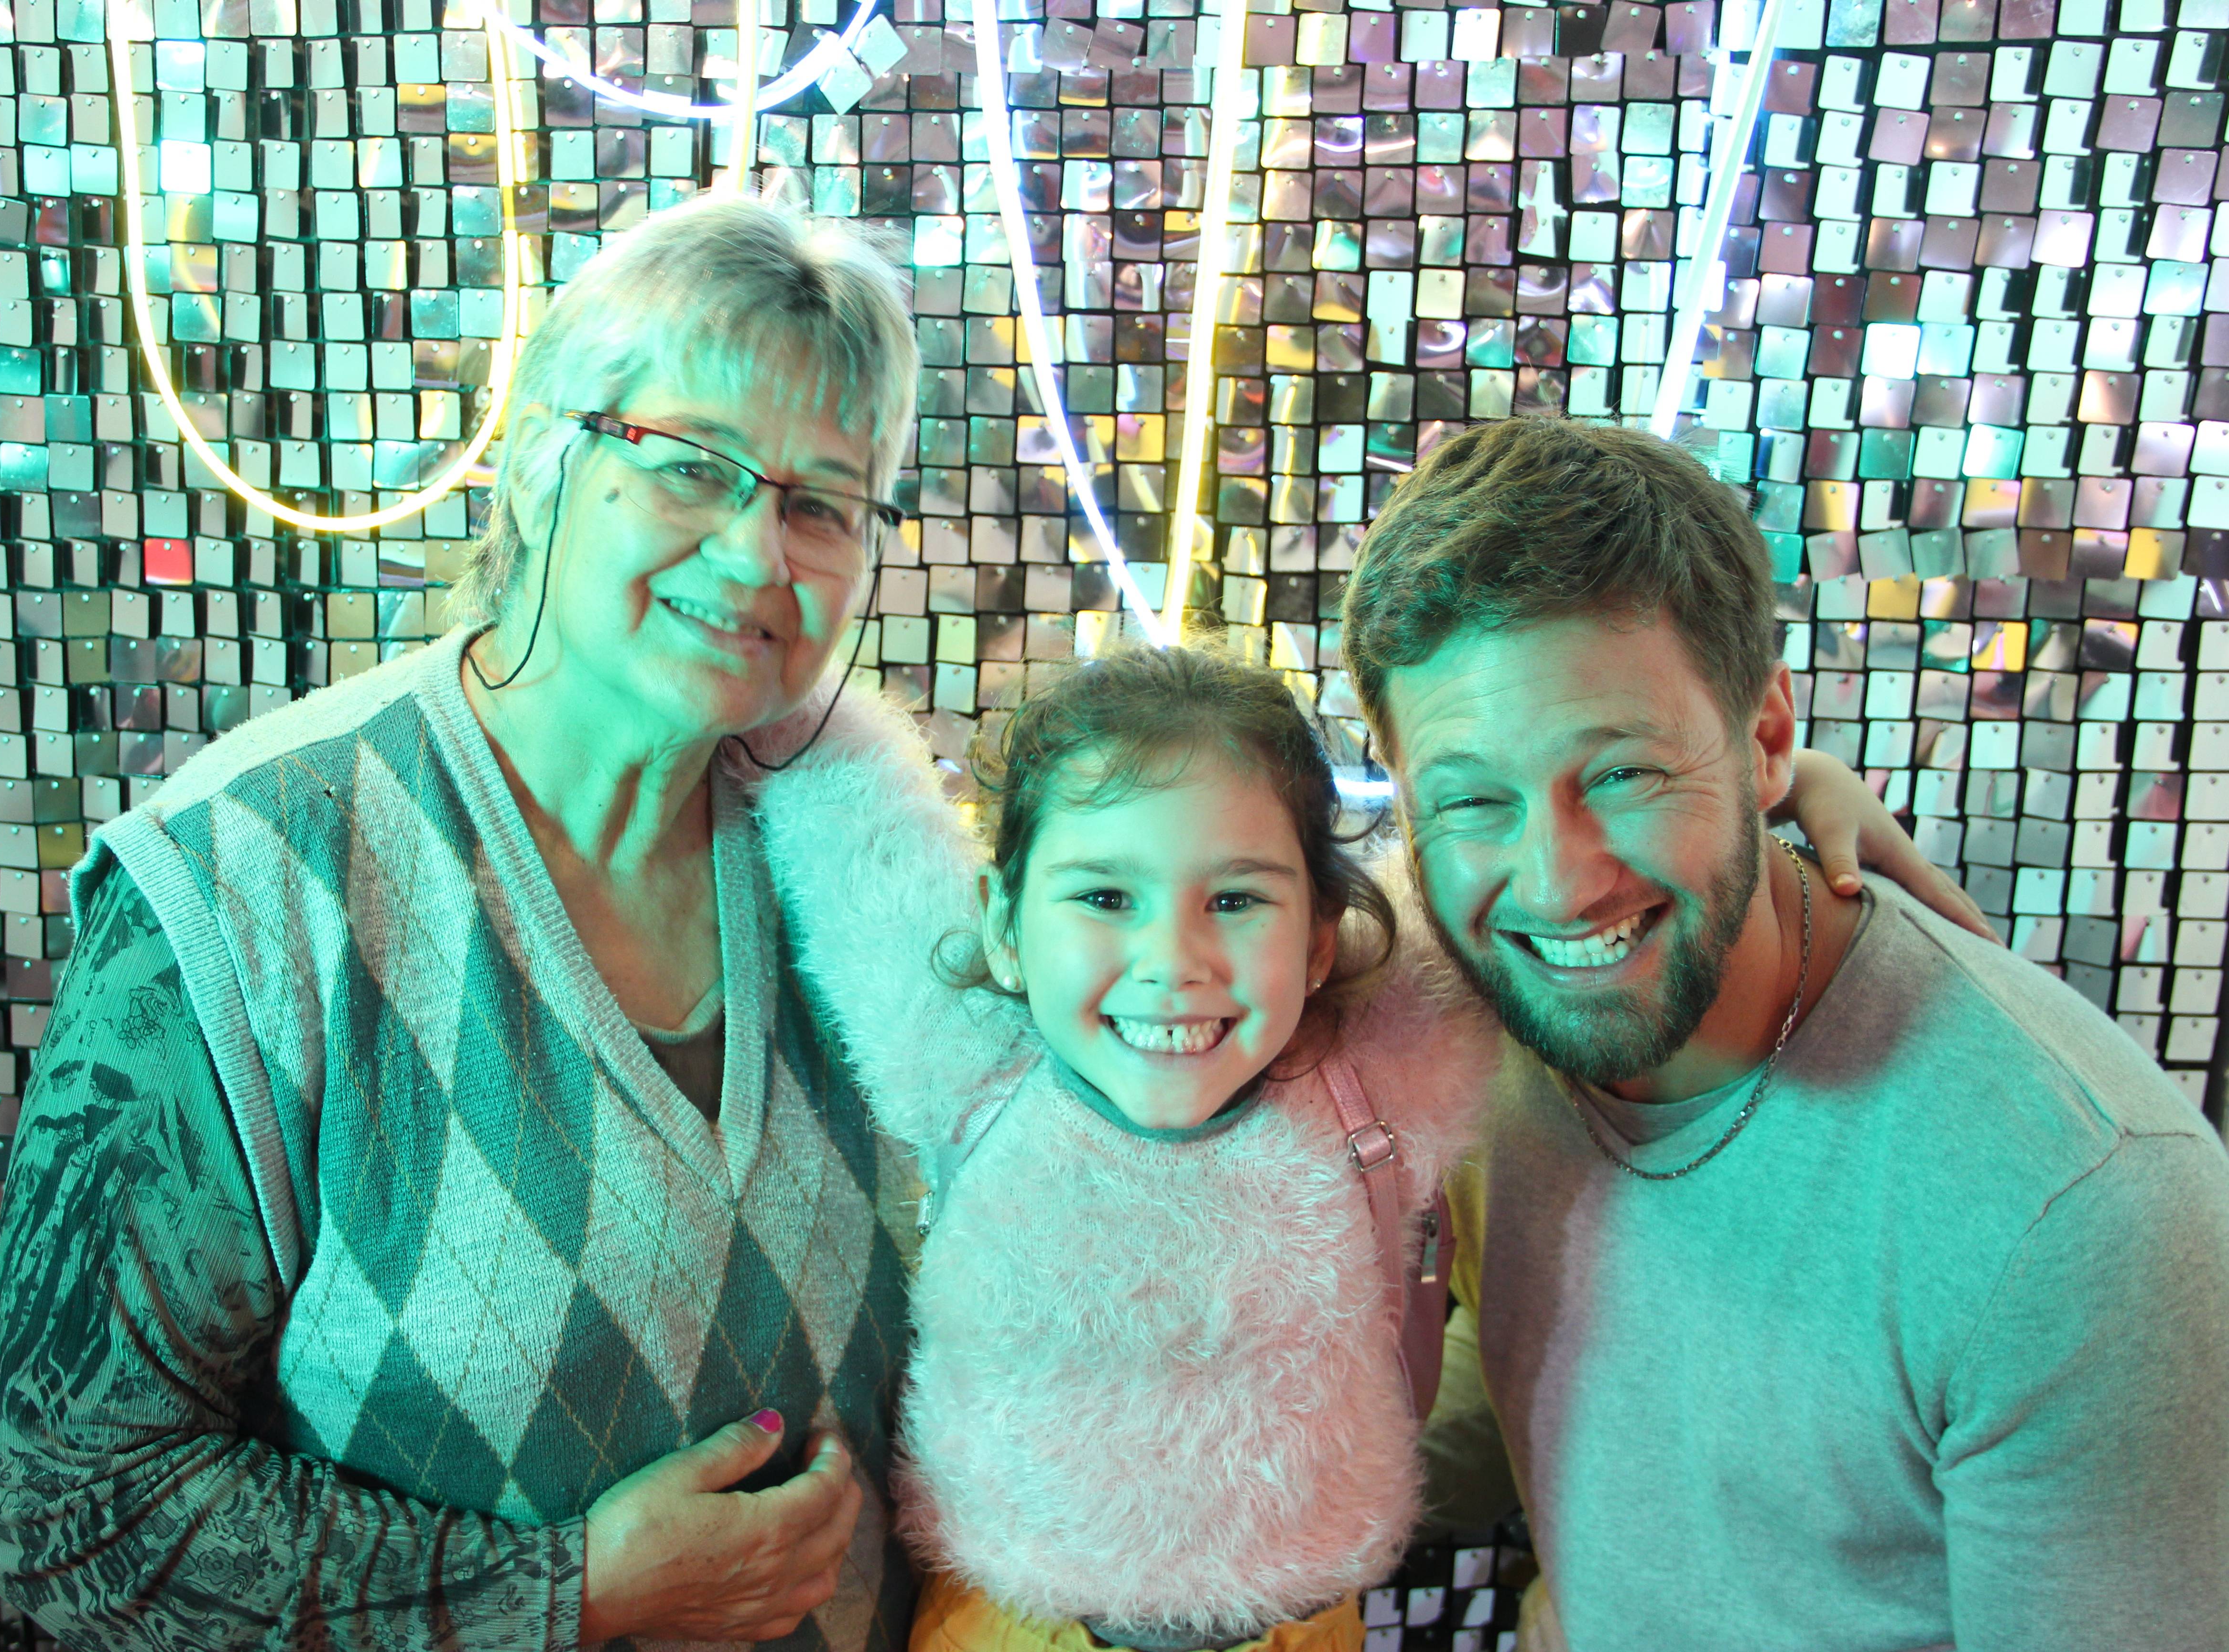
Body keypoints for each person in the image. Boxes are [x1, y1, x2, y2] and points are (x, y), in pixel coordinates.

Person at [0, 196, 925, 1650]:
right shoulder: (250, 878)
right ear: (542, 459)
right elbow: (60, 1504)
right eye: (691, 466)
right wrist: (569, 1593)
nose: (754, 554)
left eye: (819, 505)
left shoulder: (866, 856)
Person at [740, 641, 1943, 1652]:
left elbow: (1525, 881)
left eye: (1236, 900)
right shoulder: (968, 1064)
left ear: (1322, 940)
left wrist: (1782, 788)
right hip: (1008, 1626)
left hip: (1299, 1631)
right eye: (1104, 898)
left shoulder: (1376, 1065)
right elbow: (844, 804)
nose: (1174, 963)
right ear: (1004, 928)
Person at [1342, 416, 2229, 1652]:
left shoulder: (2084, 1216)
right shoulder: (1462, 1011)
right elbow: (1563, 1394)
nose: (1558, 883)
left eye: (1624, 775)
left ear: (1765, 741)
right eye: (1475, 800)